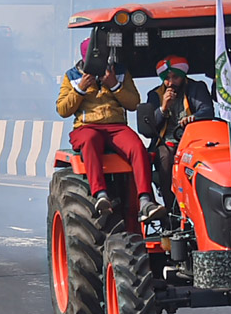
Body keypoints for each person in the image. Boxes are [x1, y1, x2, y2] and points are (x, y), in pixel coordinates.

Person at [56, 38, 163, 222]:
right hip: (86, 127)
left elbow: (133, 103)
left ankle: (145, 200)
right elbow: (63, 110)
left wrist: (114, 85)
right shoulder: (72, 76)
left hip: (116, 126)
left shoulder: (120, 72)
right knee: (90, 140)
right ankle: (101, 194)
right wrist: (81, 88)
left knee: (137, 147)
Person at [138, 56, 214, 208]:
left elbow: (207, 110)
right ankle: (170, 208)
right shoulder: (155, 95)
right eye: (167, 78)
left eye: (175, 77)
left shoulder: (196, 87)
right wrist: (163, 108)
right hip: (167, 142)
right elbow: (150, 128)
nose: (171, 83)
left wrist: (193, 118)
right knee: (164, 157)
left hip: (194, 141)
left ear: (183, 76)